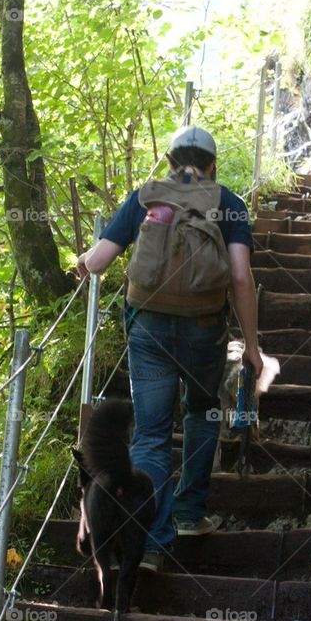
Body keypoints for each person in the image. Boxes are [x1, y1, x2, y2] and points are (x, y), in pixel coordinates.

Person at [76, 125, 263, 570]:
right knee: (201, 412)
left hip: (149, 331)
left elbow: (100, 262)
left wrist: (82, 260)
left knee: (152, 434)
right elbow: (240, 279)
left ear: (169, 160)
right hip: (204, 329)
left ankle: (150, 544)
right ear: (212, 164)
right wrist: (251, 346)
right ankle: (189, 514)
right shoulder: (229, 204)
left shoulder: (147, 195)